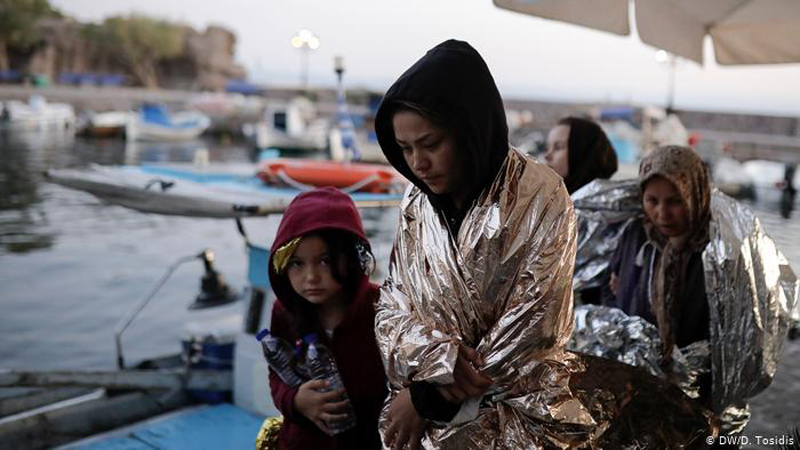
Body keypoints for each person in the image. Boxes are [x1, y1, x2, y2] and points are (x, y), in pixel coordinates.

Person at [373, 39, 597, 449]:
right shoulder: (416, 200)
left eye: (430, 144)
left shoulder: (541, 195)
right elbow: (393, 308)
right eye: (404, 149)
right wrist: (439, 361)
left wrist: (428, 397)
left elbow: (533, 331)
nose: (417, 164)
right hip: (420, 420)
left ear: (469, 130)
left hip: (515, 417)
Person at [267, 187, 387, 450]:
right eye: (297, 263)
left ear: (351, 257)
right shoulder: (284, 312)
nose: (311, 277)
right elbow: (277, 375)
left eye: (325, 260)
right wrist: (296, 401)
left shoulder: (381, 307)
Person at [602, 145, 712, 400]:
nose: (662, 214)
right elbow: (609, 291)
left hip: (693, 393)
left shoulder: (713, 252)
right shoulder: (635, 235)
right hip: (632, 381)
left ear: (695, 195)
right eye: (652, 201)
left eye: (675, 201)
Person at [544, 116, 618, 194]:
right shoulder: (552, 197)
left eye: (558, 147)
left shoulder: (591, 203)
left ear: (582, 154)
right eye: (547, 147)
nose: (547, 156)